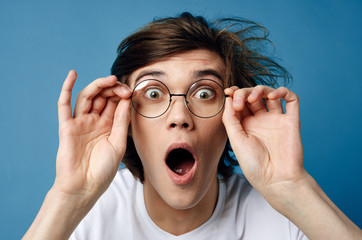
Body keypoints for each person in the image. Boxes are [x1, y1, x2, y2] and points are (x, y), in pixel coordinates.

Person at [23, 12, 361, 240]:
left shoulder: (284, 215)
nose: (179, 115)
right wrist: (70, 197)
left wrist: (293, 188)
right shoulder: (86, 216)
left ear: (233, 120)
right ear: (125, 120)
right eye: (153, 92)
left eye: (204, 92)